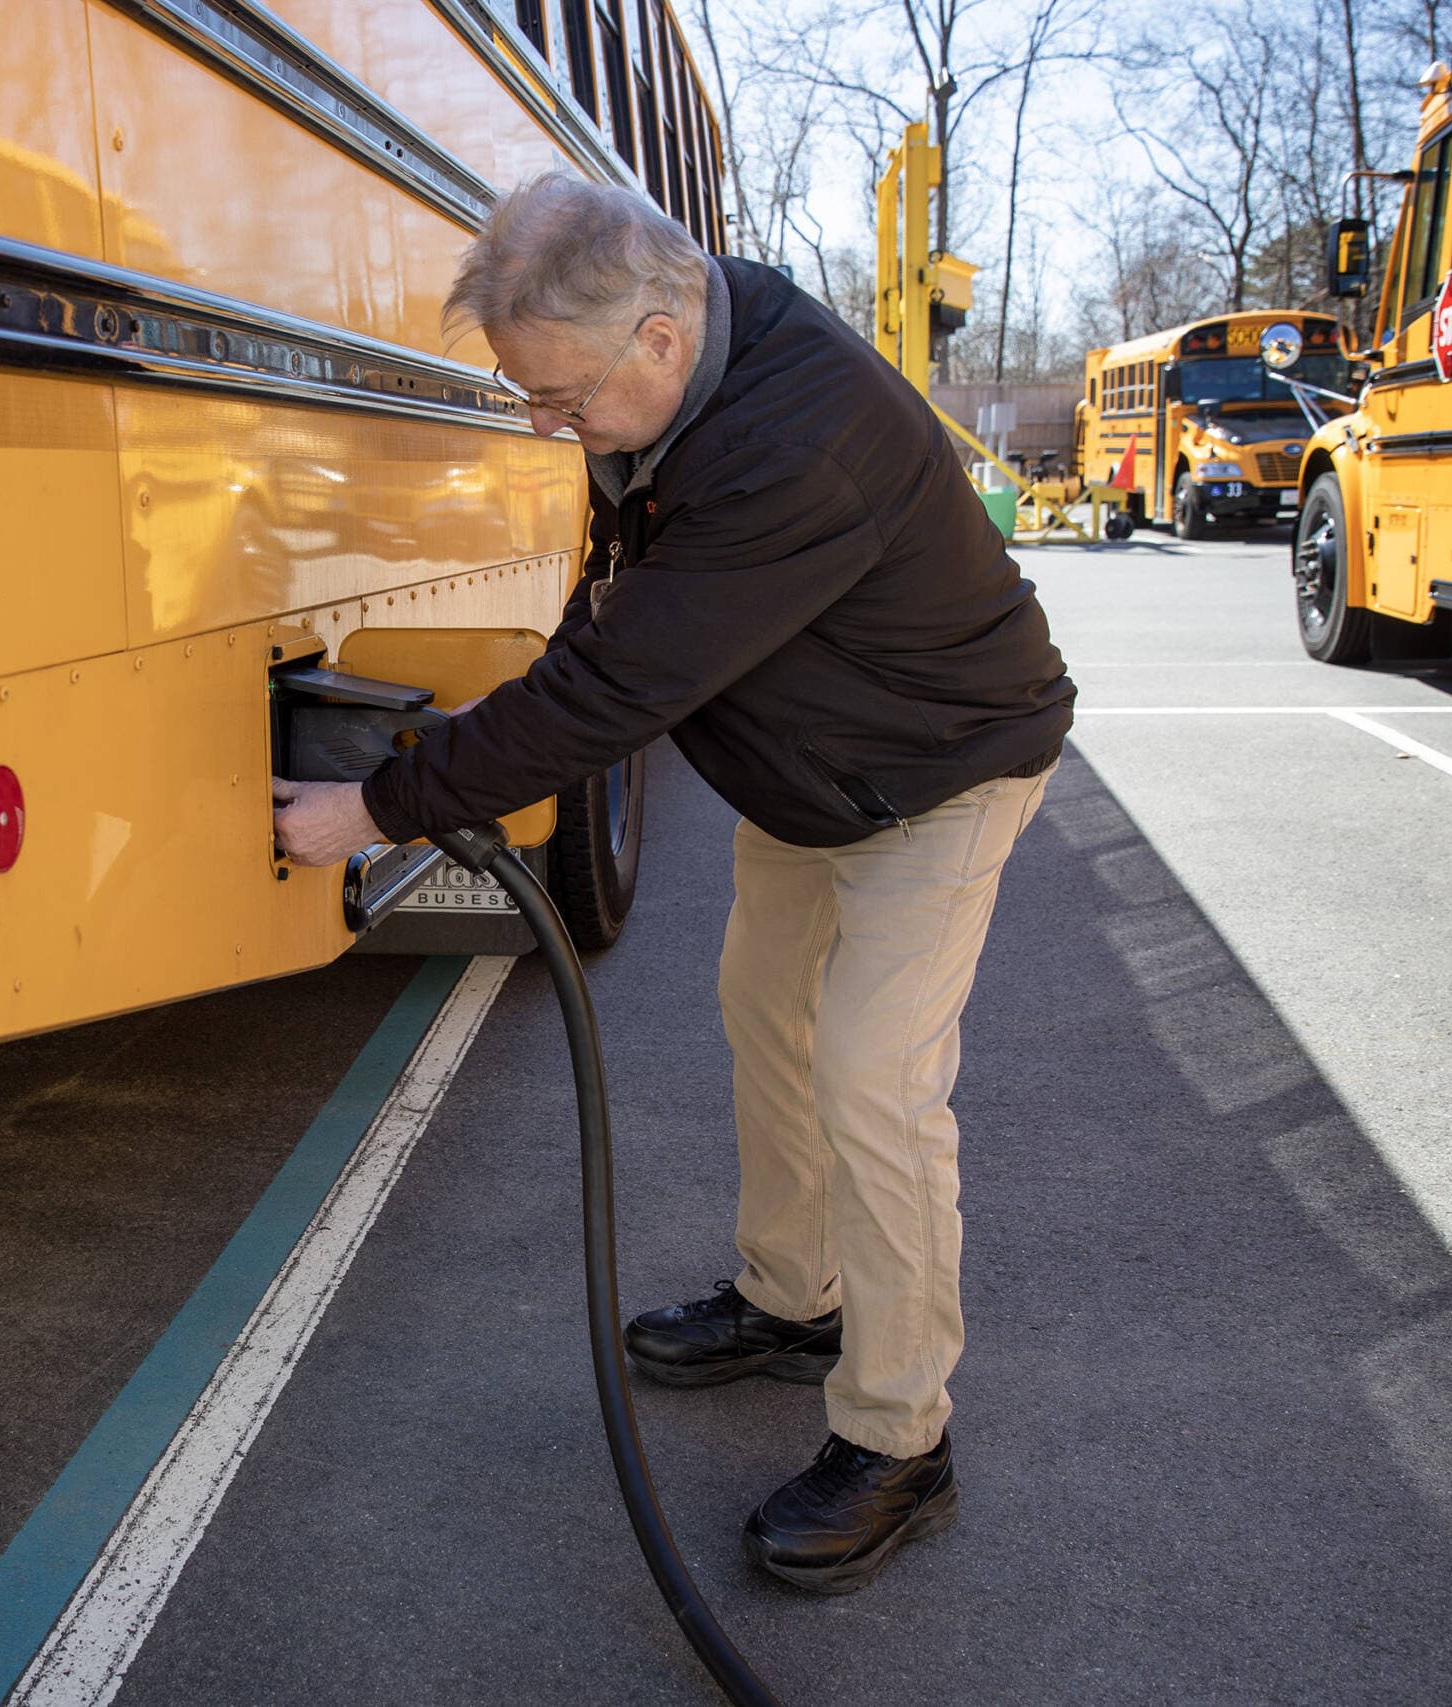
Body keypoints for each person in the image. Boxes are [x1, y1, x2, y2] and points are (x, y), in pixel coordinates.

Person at [270, 172, 1075, 1595]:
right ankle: (795, 1299)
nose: (543, 427)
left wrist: (378, 806)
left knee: (876, 1080)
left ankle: (902, 1439)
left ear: (656, 336)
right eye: (525, 396)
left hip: (940, 776)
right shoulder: (681, 365)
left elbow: (616, 687)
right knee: (763, 1019)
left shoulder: (792, 441)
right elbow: (620, 606)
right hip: (816, 774)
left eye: (560, 401)